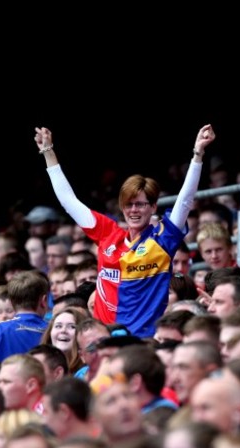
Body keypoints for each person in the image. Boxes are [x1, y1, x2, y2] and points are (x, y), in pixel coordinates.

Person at [35, 124, 216, 337]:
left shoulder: (163, 239)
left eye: (140, 204)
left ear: (153, 207)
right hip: (103, 339)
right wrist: (48, 152)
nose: (134, 210)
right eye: (128, 204)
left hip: (142, 341)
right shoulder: (107, 233)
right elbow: (69, 201)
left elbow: (185, 201)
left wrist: (198, 155)